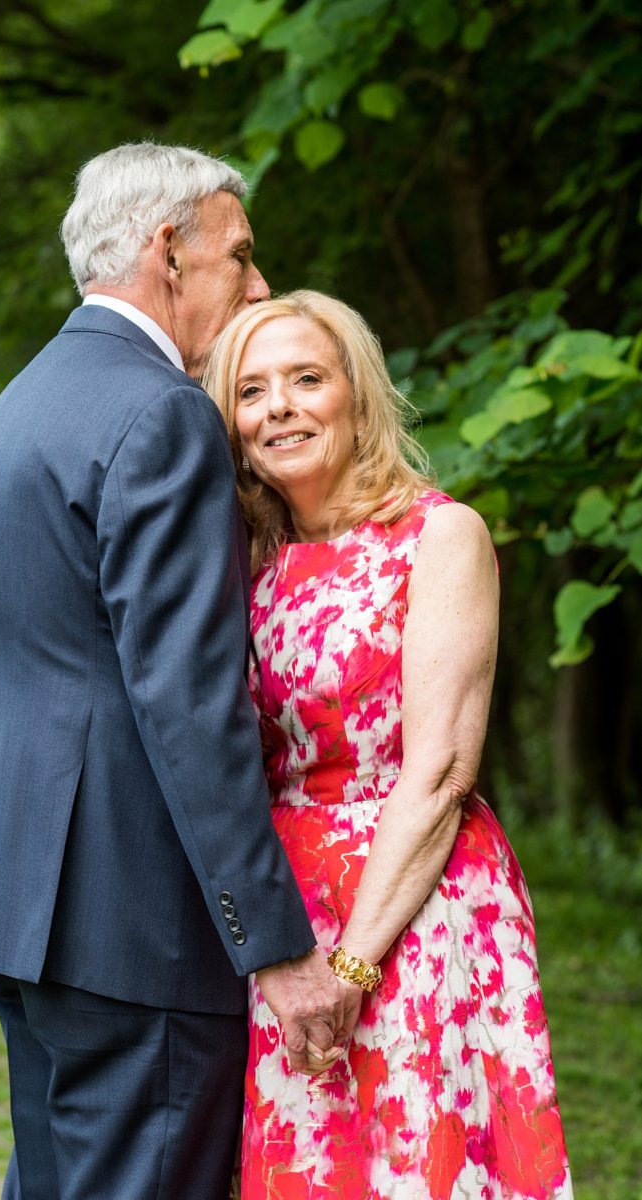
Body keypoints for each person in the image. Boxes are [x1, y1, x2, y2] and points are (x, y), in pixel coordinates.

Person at [0, 147, 351, 1200]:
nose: (257, 285)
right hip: (138, 923)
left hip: (23, 904)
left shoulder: (17, 408)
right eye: (241, 255)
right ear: (169, 250)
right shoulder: (163, 413)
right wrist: (274, 941)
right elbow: (187, 701)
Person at [204, 289, 574, 1199]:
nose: (279, 407)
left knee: (412, 1168)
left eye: (305, 379)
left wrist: (351, 964)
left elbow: (443, 767)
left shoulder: (437, 536)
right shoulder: (247, 558)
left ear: (356, 395)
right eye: (251, 391)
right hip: (286, 917)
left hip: (409, 901)